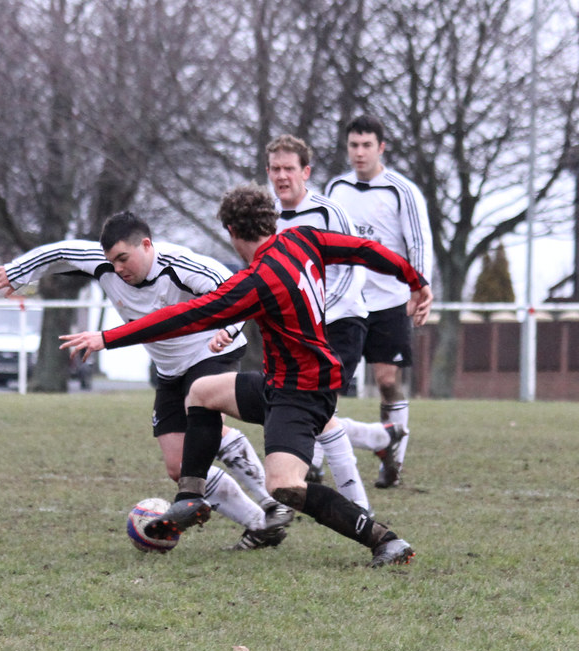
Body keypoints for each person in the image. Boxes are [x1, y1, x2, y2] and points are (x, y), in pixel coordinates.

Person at [60, 183, 432, 567]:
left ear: (232, 231)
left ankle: (384, 540)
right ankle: (190, 497)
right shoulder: (303, 239)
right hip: (280, 383)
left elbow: (183, 317)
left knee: (284, 486)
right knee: (202, 391)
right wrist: (415, 280)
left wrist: (108, 338)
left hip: (301, 394)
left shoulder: (258, 281)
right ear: (272, 219)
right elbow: (365, 249)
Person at [0, 211, 294, 550]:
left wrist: (229, 329)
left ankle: (273, 503)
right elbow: (60, 252)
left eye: (124, 258)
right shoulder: (102, 263)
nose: (118, 268)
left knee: (205, 424)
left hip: (210, 352)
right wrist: (17, 272)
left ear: (146, 245)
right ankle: (260, 525)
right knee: (178, 466)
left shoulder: (183, 265)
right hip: (169, 369)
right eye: (112, 261)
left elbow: (237, 291)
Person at [265, 134, 404, 510]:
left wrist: (318, 311)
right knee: (309, 405)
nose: (282, 176)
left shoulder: (329, 213)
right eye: (275, 169)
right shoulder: (267, 218)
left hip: (341, 320)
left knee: (318, 402)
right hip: (294, 329)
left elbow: (354, 267)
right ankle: (378, 438)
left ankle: (332, 481)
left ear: (305, 172)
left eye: (289, 168)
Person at [325, 115, 433, 488]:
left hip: (389, 300)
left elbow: (418, 242)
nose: (359, 152)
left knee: (387, 380)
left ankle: (393, 462)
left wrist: (419, 286)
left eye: (366, 145)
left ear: (381, 148)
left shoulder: (402, 191)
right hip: (345, 301)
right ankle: (315, 461)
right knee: (328, 382)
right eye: (353, 145)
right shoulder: (336, 188)